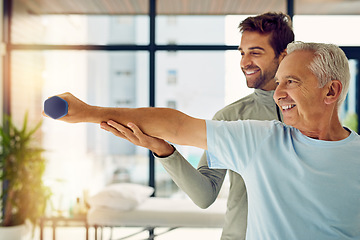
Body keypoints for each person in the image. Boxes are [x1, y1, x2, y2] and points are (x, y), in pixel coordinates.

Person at [44, 41, 360, 239]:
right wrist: (90, 111)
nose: (278, 94)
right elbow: (178, 125)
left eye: (291, 82)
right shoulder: (260, 140)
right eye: (278, 82)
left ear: (331, 91)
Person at [97, 12, 294, 240]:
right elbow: (204, 195)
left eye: (255, 52)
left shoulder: (309, 114)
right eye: (242, 53)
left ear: (283, 56)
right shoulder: (230, 117)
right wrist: (163, 150)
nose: (244, 62)